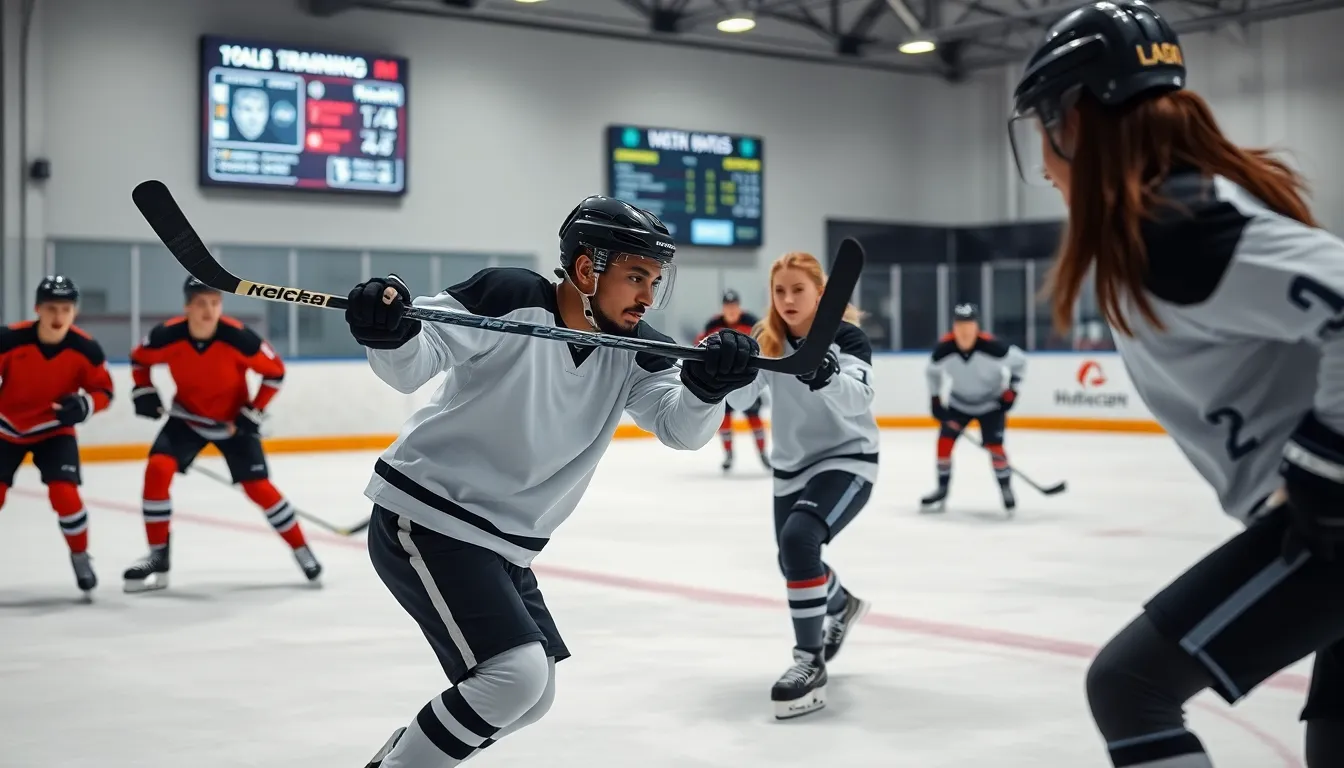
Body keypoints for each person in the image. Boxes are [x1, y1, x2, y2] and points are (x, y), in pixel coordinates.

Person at [1010, 2, 1344, 765]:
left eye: (1041, 132)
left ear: (1075, 122)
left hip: (1332, 523)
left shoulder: (1176, 232)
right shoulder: (1175, 215)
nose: (1042, 165)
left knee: (1130, 686)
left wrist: (1326, 474)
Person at [345, 196, 760, 767]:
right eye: (635, 276)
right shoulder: (510, 297)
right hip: (432, 516)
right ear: (588, 270)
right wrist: (388, 330)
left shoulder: (635, 349)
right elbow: (417, 360)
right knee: (512, 678)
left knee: (532, 697)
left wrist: (706, 390)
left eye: (654, 281)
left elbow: (679, 428)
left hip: (503, 543)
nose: (647, 295)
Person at [725, 251, 876, 720]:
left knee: (798, 540)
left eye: (798, 289)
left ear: (820, 294)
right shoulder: (766, 340)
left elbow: (859, 398)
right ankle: (842, 604)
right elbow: (743, 398)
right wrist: (726, 368)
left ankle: (808, 663)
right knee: (792, 560)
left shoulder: (846, 338)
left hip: (847, 460)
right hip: (792, 470)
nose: (787, 299)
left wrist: (825, 374)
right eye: (779, 290)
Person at [122, 276, 320, 592]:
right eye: (201, 303)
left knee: (260, 489)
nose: (208, 310)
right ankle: (158, 556)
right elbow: (139, 359)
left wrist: (251, 411)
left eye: (215, 303)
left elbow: (275, 373)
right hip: (187, 419)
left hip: (233, 423)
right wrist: (143, 389)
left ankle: (301, 549)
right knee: (157, 470)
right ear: (187, 306)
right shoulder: (167, 335)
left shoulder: (240, 338)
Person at [0, 276, 113, 595]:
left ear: (74, 311)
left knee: (65, 496)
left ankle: (80, 555)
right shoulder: (9, 340)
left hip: (54, 431)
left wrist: (84, 405)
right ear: (37, 309)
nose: (58, 316)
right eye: (51, 308)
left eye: (65, 308)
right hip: (5, 428)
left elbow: (103, 390)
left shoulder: (86, 348)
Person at [921, 303, 1027, 513]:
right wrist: (935, 398)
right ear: (953, 326)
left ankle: (1005, 488)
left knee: (995, 447)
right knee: (944, 444)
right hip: (959, 404)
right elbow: (932, 372)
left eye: (969, 324)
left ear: (977, 326)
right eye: (960, 324)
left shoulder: (994, 347)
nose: (964, 330)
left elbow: (1021, 363)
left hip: (991, 404)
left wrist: (1012, 390)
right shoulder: (944, 348)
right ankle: (942, 488)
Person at [698, 290, 768, 470]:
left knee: (754, 417)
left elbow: (766, 343)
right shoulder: (713, 324)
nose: (731, 310)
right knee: (725, 418)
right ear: (723, 308)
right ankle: (728, 454)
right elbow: (700, 346)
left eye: (733, 306)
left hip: (747, 380)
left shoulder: (751, 322)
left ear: (739, 306)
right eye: (727, 306)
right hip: (723, 381)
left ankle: (763, 453)